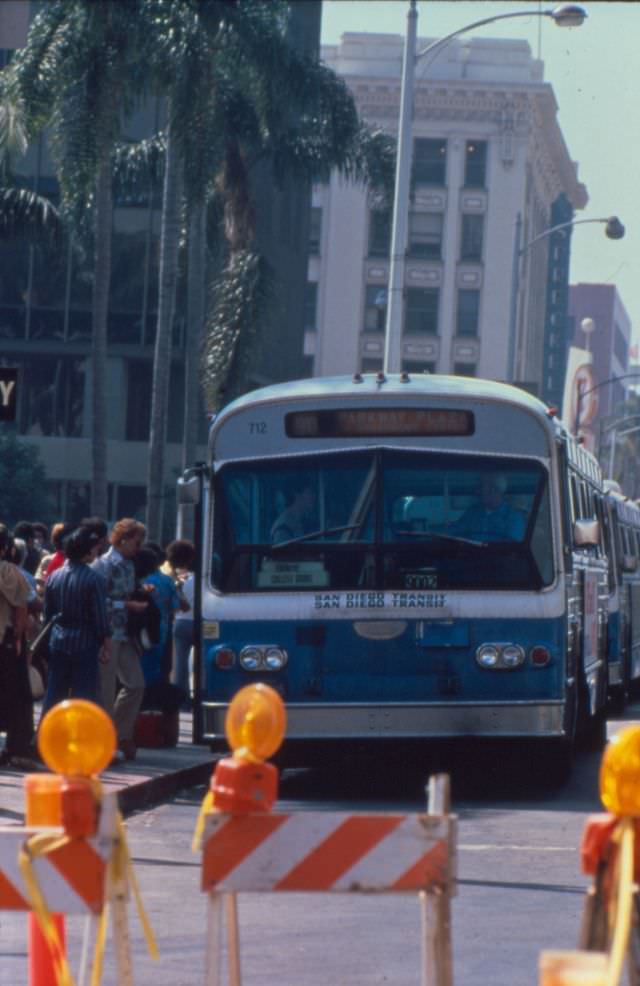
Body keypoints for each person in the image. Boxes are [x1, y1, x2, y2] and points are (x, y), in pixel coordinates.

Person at [39, 526, 110, 718]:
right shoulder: (94, 579)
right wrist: (106, 642)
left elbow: (48, 614)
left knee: (54, 694)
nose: (97, 551)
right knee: (83, 696)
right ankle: (79, 740)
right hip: (85, 642)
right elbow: (100, 616)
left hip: (58, 640)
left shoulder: (54, 577)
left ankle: (43, 739)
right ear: (86, 551)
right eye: (94, 548)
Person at [92, 518, 148, 761]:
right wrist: (125, 604)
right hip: (108, 634)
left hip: (125, 633)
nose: (139, 547)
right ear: (123, 540)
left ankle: (118, 732)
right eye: (136, 542)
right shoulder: (103, 565)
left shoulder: (128, 565)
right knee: (105, 691)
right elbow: (96, 602)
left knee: (136, 684)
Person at [0, 524, 36, 770]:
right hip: (7, 641)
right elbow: (21, 609)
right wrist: (21, 640)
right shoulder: (10, 572)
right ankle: (16, 750)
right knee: (16, 697)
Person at [454, 473, 526, 542]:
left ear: (493, 489)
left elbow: (512, 547)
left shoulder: (513, 517)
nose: (477, 490)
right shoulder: (472, 512)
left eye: (481, 486)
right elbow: (455, 530)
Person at [270, 478, 317, 543]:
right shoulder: (283, 529)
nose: (314, 496)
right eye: (310, 492)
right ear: (297, 495)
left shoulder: (301, 522)